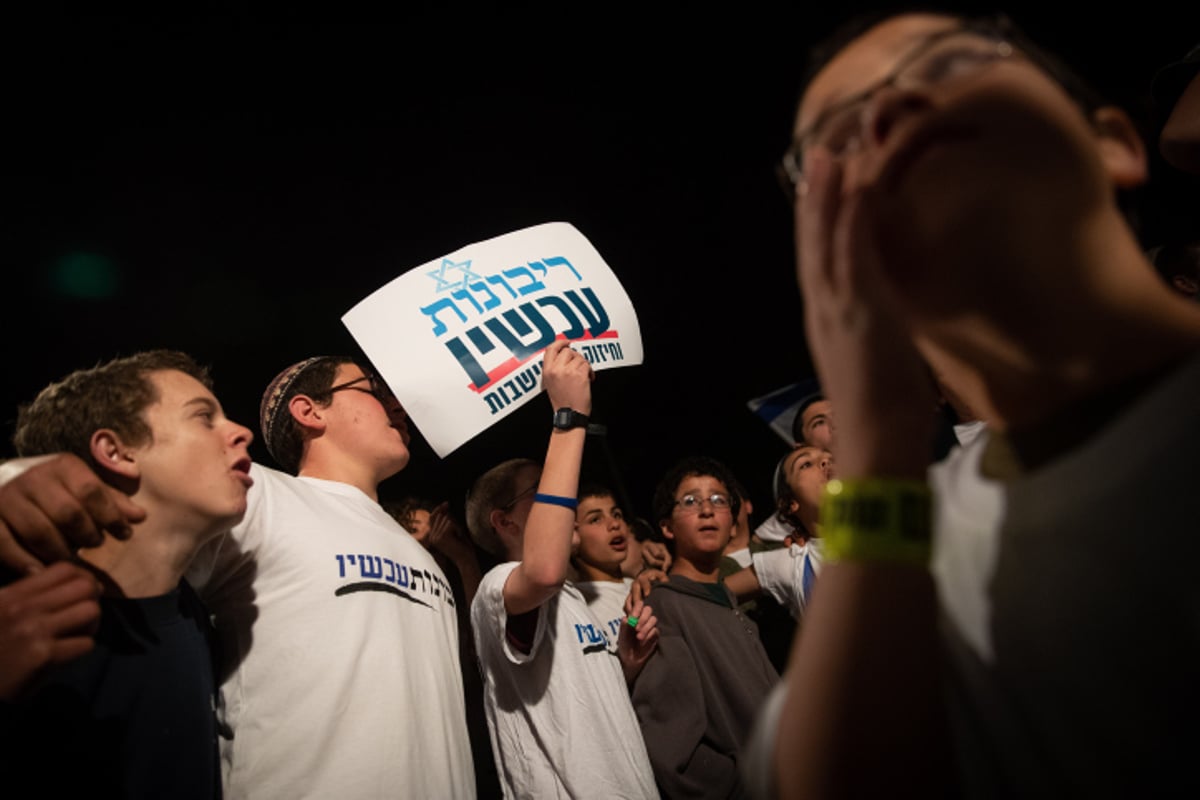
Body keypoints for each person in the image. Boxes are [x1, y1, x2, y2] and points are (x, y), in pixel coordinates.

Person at [755, 10, 1200, 798]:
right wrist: (876, 430)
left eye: (944, 65)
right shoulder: (903, 543)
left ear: (1115, 143)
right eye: (836, 143)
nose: (888, 115)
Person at [185, 356, 475, 798]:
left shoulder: (423, 557)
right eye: (374, 391)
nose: (397, 407)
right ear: (310, 411)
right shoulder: (261, 496)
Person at [2, 349, 254, 798]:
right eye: (203, 418)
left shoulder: (195, 619)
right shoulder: (24, 619)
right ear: (116, 452)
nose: (241, 432)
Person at [466, 340, 659, 799]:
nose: (564, 494)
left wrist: (625, 666)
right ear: (505, 520)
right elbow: (545, 570)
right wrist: (568, 419)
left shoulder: (572, 597)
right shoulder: (497, 588)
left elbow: (578, 705)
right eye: (543, 487)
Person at [631, 454, 779, 799]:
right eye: (690, 501)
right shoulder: (663, 607)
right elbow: (674, 753)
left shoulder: (729, 605)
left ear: (734, 520)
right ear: (667, 527)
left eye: (718, 500)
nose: (707, 509)